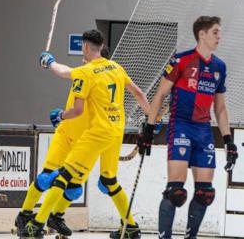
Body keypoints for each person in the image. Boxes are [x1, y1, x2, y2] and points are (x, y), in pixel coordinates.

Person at [19, 29, 150, 239]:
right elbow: (139, 93)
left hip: (96, 133)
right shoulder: (116, 67)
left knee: (64, 176)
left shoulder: (85, 72)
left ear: (86, 47)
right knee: (109, 181)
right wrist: (151, 120)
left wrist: (61, 115)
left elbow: (77, 110)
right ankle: (131, 227)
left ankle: (37, 224)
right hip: (117, 132)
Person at [137, 16, 238, 239]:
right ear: (202, 34)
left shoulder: (219, 67)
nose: (219, 36)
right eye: (215, 32)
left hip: (203, 130)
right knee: (176, 192)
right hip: (181, 125)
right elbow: (161, 94)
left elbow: (220, 108)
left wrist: (229, 141)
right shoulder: (181, 61)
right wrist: (148, 128)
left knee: (205, 193)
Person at [14, 45, 111, 238]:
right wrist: (50, 62)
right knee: (46, 178)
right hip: (66, 136)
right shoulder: (83, 75)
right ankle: (24, 215)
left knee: (74, 190)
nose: (83, 60)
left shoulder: (101, 80)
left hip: (85, 143)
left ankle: (55, 217)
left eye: (87, 57)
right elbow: (63, 70)